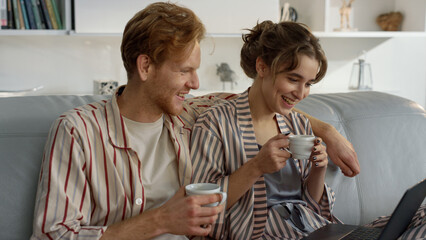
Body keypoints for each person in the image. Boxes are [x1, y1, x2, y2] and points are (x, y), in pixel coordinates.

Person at [31, 2, 360, 240]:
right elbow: (53, 235)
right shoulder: (78, 131)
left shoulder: (187, 114)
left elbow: (263, 104)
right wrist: (160, 221)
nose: (195, 83)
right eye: (184, 70)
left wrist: (328, 131)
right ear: (145, 67)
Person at [190, 21, 341, 239]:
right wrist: (256, 166)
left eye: (308, 84)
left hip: (310, 229)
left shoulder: (298, 124)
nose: (300, 94)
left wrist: (318, 169)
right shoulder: (215, 123)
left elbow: (311, 207)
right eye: (293, 79)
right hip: (263, 233)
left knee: (408, 222)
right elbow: (203, 207)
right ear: (262, 67)